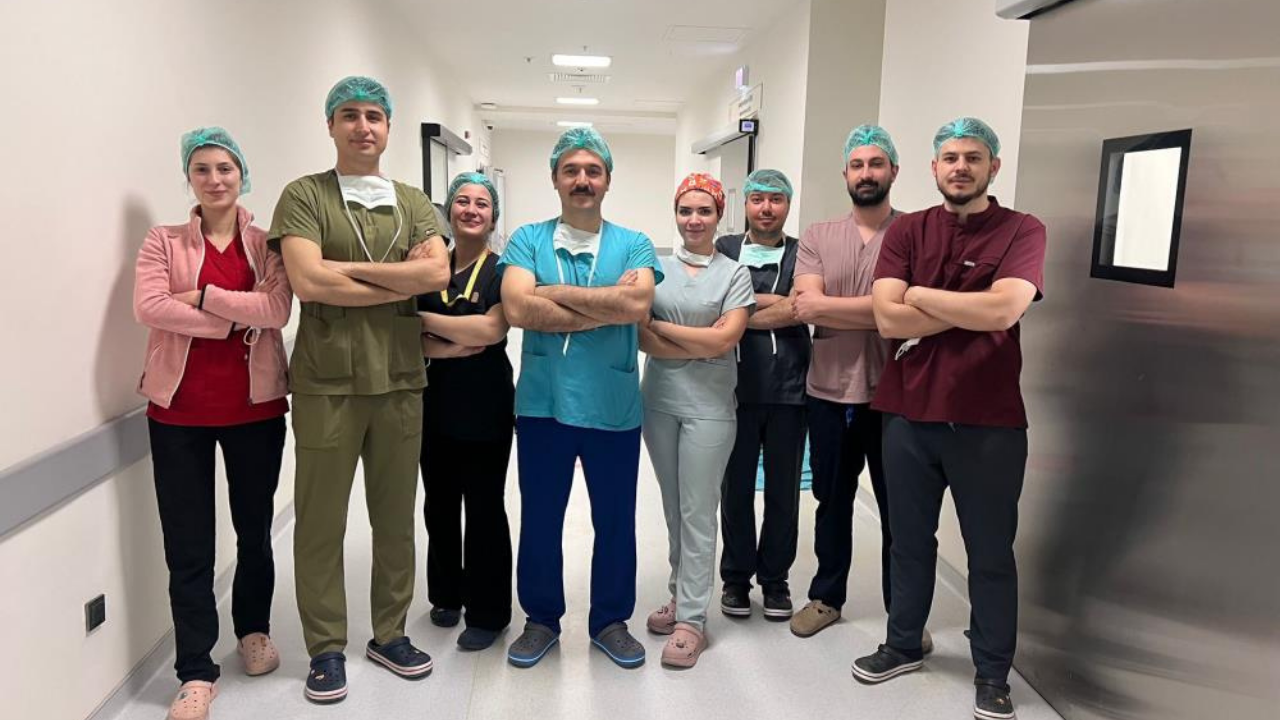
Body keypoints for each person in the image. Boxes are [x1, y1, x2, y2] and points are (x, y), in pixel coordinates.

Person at [851, 118, 1047, 720]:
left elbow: (1005, 310)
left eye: (973, 157)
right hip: (907, 414)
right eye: (950, 158)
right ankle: (903, 643)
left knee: (989, 553)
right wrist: (972, 305)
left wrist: (918, 294)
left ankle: (992, 672)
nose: (961, 167)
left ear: (993, 167)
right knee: (908, 542)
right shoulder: (908, 230)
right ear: (934, 168)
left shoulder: (1022, 229)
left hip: (988, 421)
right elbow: (887, 319)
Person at [270, 76, 450, 703]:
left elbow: (435, 273)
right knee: (321, 521)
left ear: (389, 127)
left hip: (399, 378)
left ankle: (389, 633)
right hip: (327, 383)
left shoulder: (412, 201)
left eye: (375, 115)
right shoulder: (304, 195)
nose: (363, 126)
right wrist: (397, 278)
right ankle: (325, 646)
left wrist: (343, 269)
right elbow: (308, 283)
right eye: (349, 114)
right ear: (331, 125)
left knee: (395, 519)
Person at [134, 127, 291, 720]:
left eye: (225, 168)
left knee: (254, 531)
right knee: (188, 543)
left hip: (255, 408)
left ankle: (253, 631)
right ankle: (195, 670)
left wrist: (200, 296)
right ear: (189, 178)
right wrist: (231, 315)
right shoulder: (163, 240)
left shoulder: (266, 243)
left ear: (242, 174)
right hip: (178, 412)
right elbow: (149, 306)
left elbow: (276, 309)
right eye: (202, 169)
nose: (215, 178)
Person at [499, 127, 662, 669]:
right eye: (571, 170)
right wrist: (607, 303)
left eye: (593, 170)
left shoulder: (634, 243)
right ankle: (541, 620)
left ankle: (610, 621)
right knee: (541, 519)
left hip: (613, 405)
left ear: (608, 180)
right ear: (554, 179)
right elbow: (517, 309)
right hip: (543, 404)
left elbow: (637, 306)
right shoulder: (527, 239)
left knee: (615, 521)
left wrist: (550, 294)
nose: (582, 180)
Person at [789, 125, 916, 642]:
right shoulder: (819, 235)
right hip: (828, 392)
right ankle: (827, 597)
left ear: (894, 171)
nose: (867, 173)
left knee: (900, 510)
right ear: (845, 173)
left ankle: (903, 613)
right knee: (832, 501)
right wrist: (885, 310)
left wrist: (833, 308)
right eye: (858, 165)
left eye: (876, 163)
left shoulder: (915, 232)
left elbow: (908, 314)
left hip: (896, 396)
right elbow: (806, 306)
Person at [640, 173, 754, 667]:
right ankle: (679, 594)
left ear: (719, 216)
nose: (694, 219)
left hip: (710, 408)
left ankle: (692, 620)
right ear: (675, 214)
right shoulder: (655, 269)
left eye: (704, 211)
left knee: (698, 511)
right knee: (672, 509)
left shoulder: (735, 274)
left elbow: (726, 340)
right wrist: (701, 340)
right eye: (685, 210)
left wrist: (666, 331)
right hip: (659, 402)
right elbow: (641, 338)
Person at [416, 172, 514, 652]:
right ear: (449, 212)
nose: (471, 210)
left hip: (486, 405)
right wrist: (455, 342)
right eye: (462, 201)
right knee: (438, 504)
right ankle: (446, 594)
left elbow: (492, 331)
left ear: (493, 217)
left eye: (481, 203)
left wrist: (427, 328)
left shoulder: (503, 271)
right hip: (431, 403)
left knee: (484, 507)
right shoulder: (428, 268)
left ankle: (488, 611)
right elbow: (407, 334)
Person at [715, 169, 811, 621]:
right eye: (758, 199)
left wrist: (742, 308)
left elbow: (802, 307)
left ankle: (775, 580)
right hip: (734, 387)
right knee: (734, 488)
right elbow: (714, 303)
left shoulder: (803, 253)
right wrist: (777, 304)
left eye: (776, 199)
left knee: (783, 491)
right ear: (746, 204)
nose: (766, 208)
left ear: (787, 205)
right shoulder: (725, 248)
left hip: (790, 387)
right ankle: (736, 579)